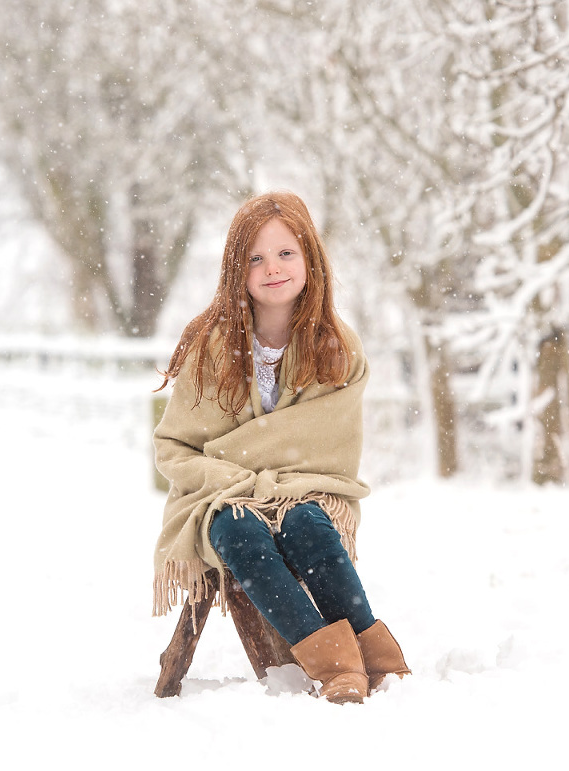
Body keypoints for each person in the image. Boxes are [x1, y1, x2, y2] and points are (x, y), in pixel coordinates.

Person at [151, 191, 409, 704]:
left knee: (305, 524)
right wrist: (237, 481)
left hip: (309, 488)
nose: (273, 268)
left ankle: (374, 652)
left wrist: (267, 476)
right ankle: (336, 667)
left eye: (286, 253)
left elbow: (326, 441)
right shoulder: (211, 347)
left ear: (310, 259)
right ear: (236, 269)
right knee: (238, 530)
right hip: (223, 493)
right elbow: (175, 447)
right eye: (256, 257)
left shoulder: (336, 346)